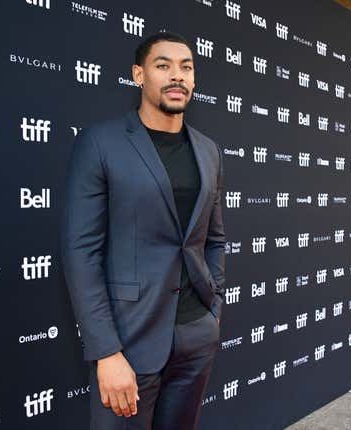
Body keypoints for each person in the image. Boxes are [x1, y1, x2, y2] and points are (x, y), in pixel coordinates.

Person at [60, 32, 226, 430]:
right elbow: (81, 252)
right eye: (163, 65)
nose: (177, 76)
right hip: (129, 340)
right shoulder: (101, 143)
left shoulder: (208, 150)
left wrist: (212, 310)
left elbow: (214, 238)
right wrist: (106, 352)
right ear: (139, 75)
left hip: (195, 335)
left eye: (186, 67)